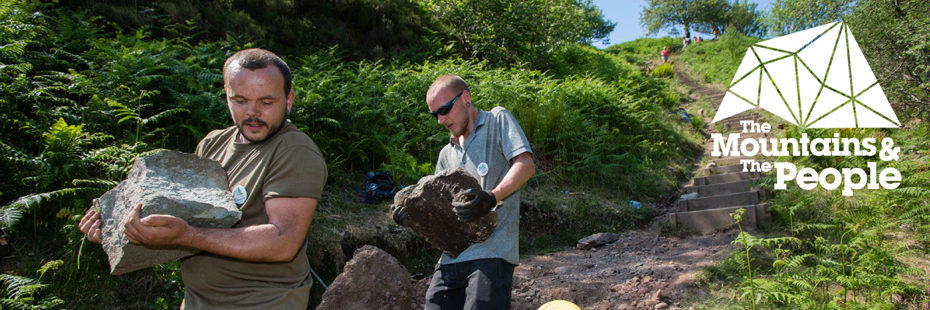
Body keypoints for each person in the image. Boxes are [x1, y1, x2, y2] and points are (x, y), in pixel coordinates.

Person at [78, 48, 327, 309]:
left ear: (288, 100)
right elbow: (185, 224)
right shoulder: (213, 143)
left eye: (266, 102)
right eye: (240, 100)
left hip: (262, 301)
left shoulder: (295, 151)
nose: (252, 113)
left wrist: (187, 235)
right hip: (199, 300)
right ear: (227, 96)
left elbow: (283, 242)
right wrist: (119, 231)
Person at [393, 74, 535, 309]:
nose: (440, 119)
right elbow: (439, 212)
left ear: (465, 98)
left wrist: (491, 197)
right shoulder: (445, 154)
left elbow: (526, 164)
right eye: (435, 114)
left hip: (492, 253)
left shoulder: (496, 120)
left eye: (445, 109)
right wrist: (414, 217)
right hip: (451, 258)